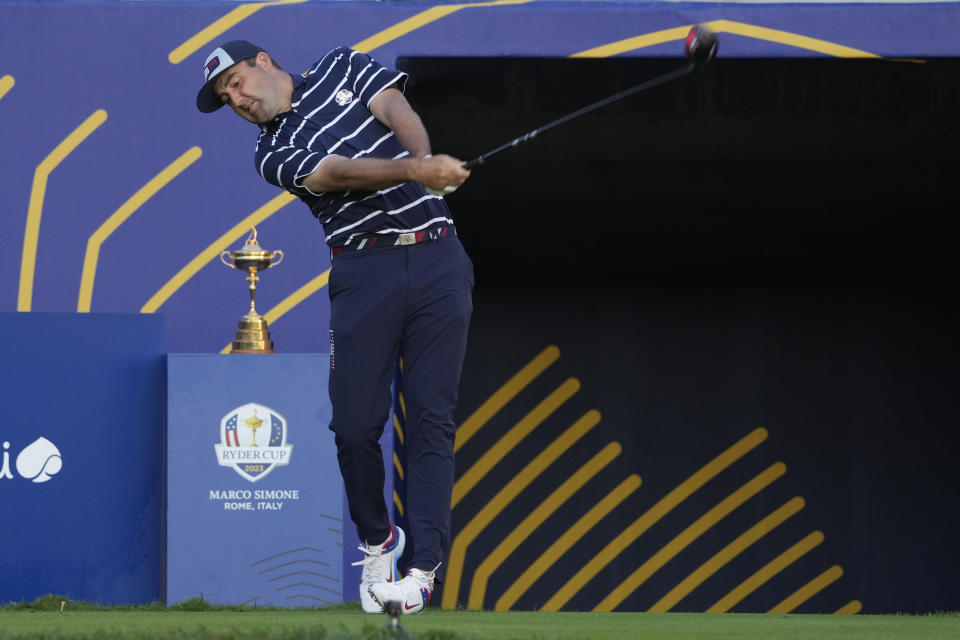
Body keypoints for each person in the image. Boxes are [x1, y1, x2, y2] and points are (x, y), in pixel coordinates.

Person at [196, 40, 473, 614]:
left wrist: (427, 165)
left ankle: (421, 572)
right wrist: (416, 169)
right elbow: (336, 174)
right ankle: (378, 539)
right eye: (227, 99)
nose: (238, 100)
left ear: (264, 62)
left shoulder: (340, 65)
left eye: (238, 83)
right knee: (353, 427)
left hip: (437, 258)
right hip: (362, 269)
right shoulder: (271, 151)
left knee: (430, 419)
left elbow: (396, 109)